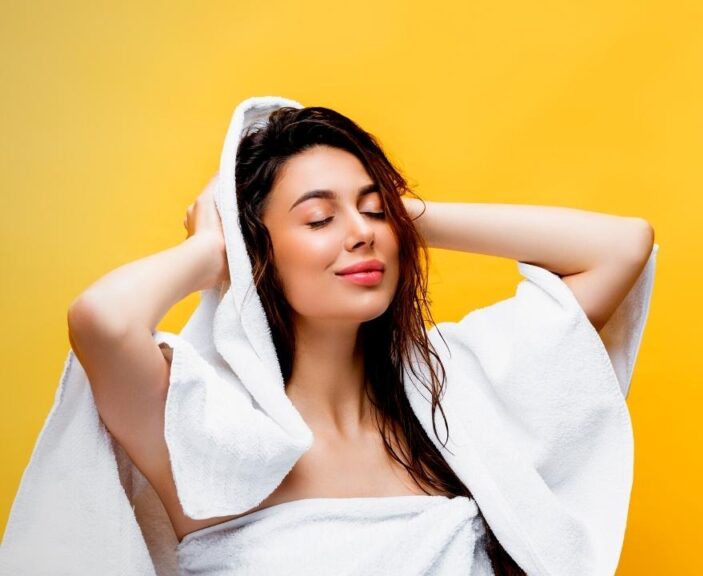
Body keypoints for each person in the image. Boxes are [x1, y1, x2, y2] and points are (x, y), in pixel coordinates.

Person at [64, 105, 655, 574]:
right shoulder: (210, 431)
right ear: (255, 250)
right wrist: (213, 247)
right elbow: (103, 320)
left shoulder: (453, 397)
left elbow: (621, 246)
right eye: (319, 219)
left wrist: (396, 216)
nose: (360, 235)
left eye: (374, 211)